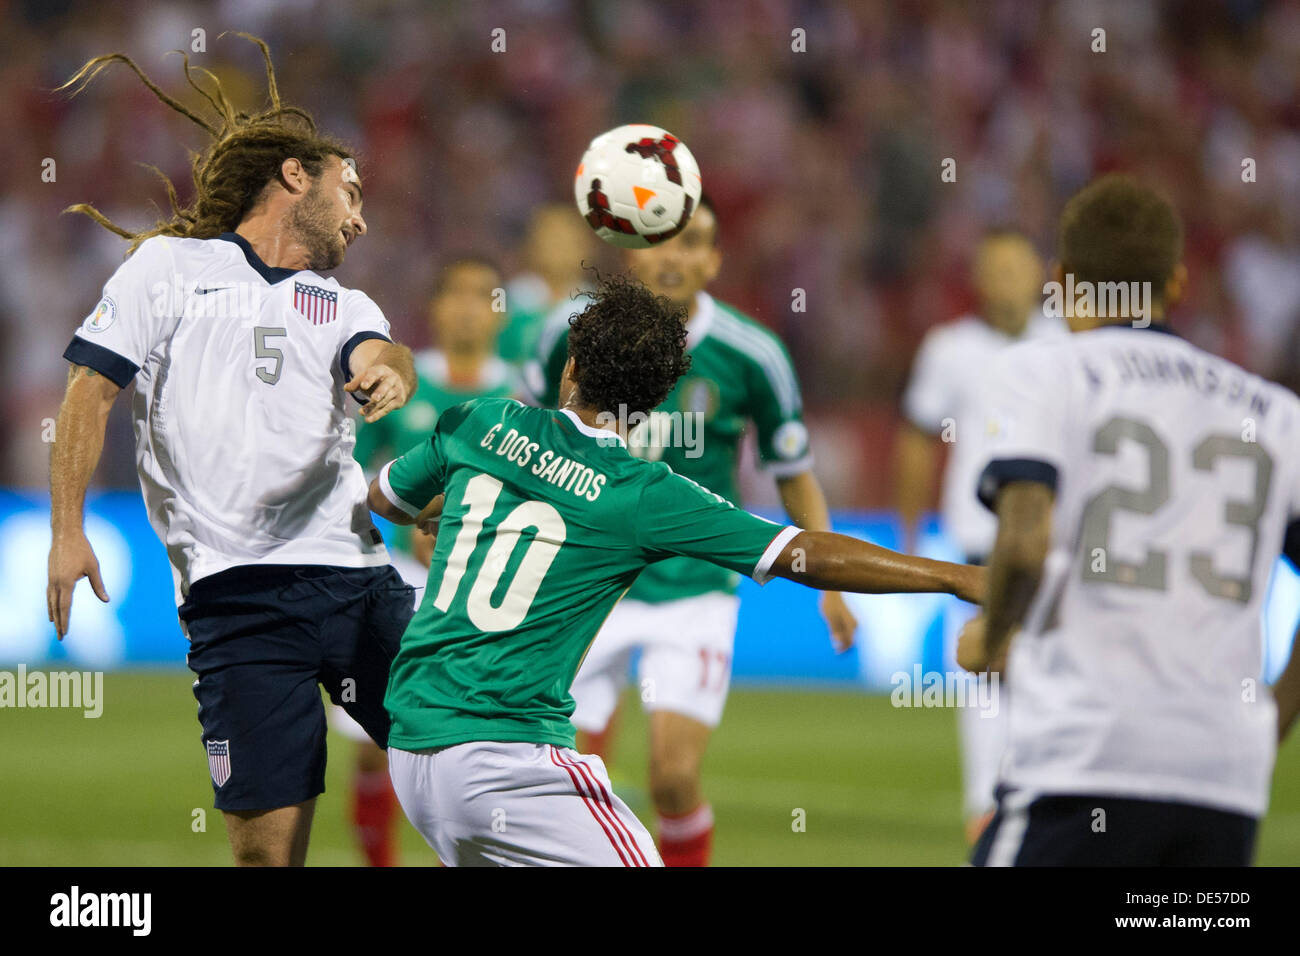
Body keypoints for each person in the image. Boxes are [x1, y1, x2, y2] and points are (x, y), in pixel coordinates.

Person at [369, 272, 983, 866]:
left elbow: (385, 501)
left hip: (411, 747)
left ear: (571, 367)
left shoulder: (481, 421)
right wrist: (954, 576)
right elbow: (805, 553)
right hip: (502, 759)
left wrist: (463, 509)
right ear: (656, 404)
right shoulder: (642, 493)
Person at [45, 37, 417, 867]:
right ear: (295, 175)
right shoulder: (167, 270)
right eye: (350, 191)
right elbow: (88, 394)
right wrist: (67, 530)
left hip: (360, 584)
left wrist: (390, 375)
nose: (360, 216)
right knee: (264, 854)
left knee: (473, 769)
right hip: (237, 601)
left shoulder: (343, 299)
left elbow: (380, 354)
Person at [959, 174, 1300, 866]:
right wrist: (1268, 721)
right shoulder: (1274, 414)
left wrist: (993, 637)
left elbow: (1024, 539)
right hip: (1223, 780)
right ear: (1176, 284)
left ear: (1061, 280)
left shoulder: (1042, 374)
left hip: (1086, 757)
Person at [526, 195, 856, 866]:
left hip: (693, 588)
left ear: (714, 260)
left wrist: (831, 583)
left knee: (672, 779)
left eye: (692, 242)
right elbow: (525, 438)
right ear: (630, 249)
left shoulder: (752, 354)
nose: (672, 256)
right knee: (562, 778)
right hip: (587, 583)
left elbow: (793, 471)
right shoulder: (567, 334)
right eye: (658, 241)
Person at [338, 254, 517, 866]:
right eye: (456, 293)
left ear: (501, 313)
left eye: (482, 295)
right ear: (436, 308)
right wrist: (407, 520)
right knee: (376, 738)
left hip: (487, 586)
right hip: (398, 579)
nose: (468, 307)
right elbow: (351, 472)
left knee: (475, 738)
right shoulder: (400, 383)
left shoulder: (521, 395)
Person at [893, 229, 1064, 843]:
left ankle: (1046, 817)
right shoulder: (950, 348)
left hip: (1057, 551)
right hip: (976, 553)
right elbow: (917, 439)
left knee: (1053, 699)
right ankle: (985, 819)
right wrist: (910, 531)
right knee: (986, 697)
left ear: (1041, 273)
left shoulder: (1068, 342)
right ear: (978, 279)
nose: (1007, 281)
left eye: (1018, 268)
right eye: (995, 270)